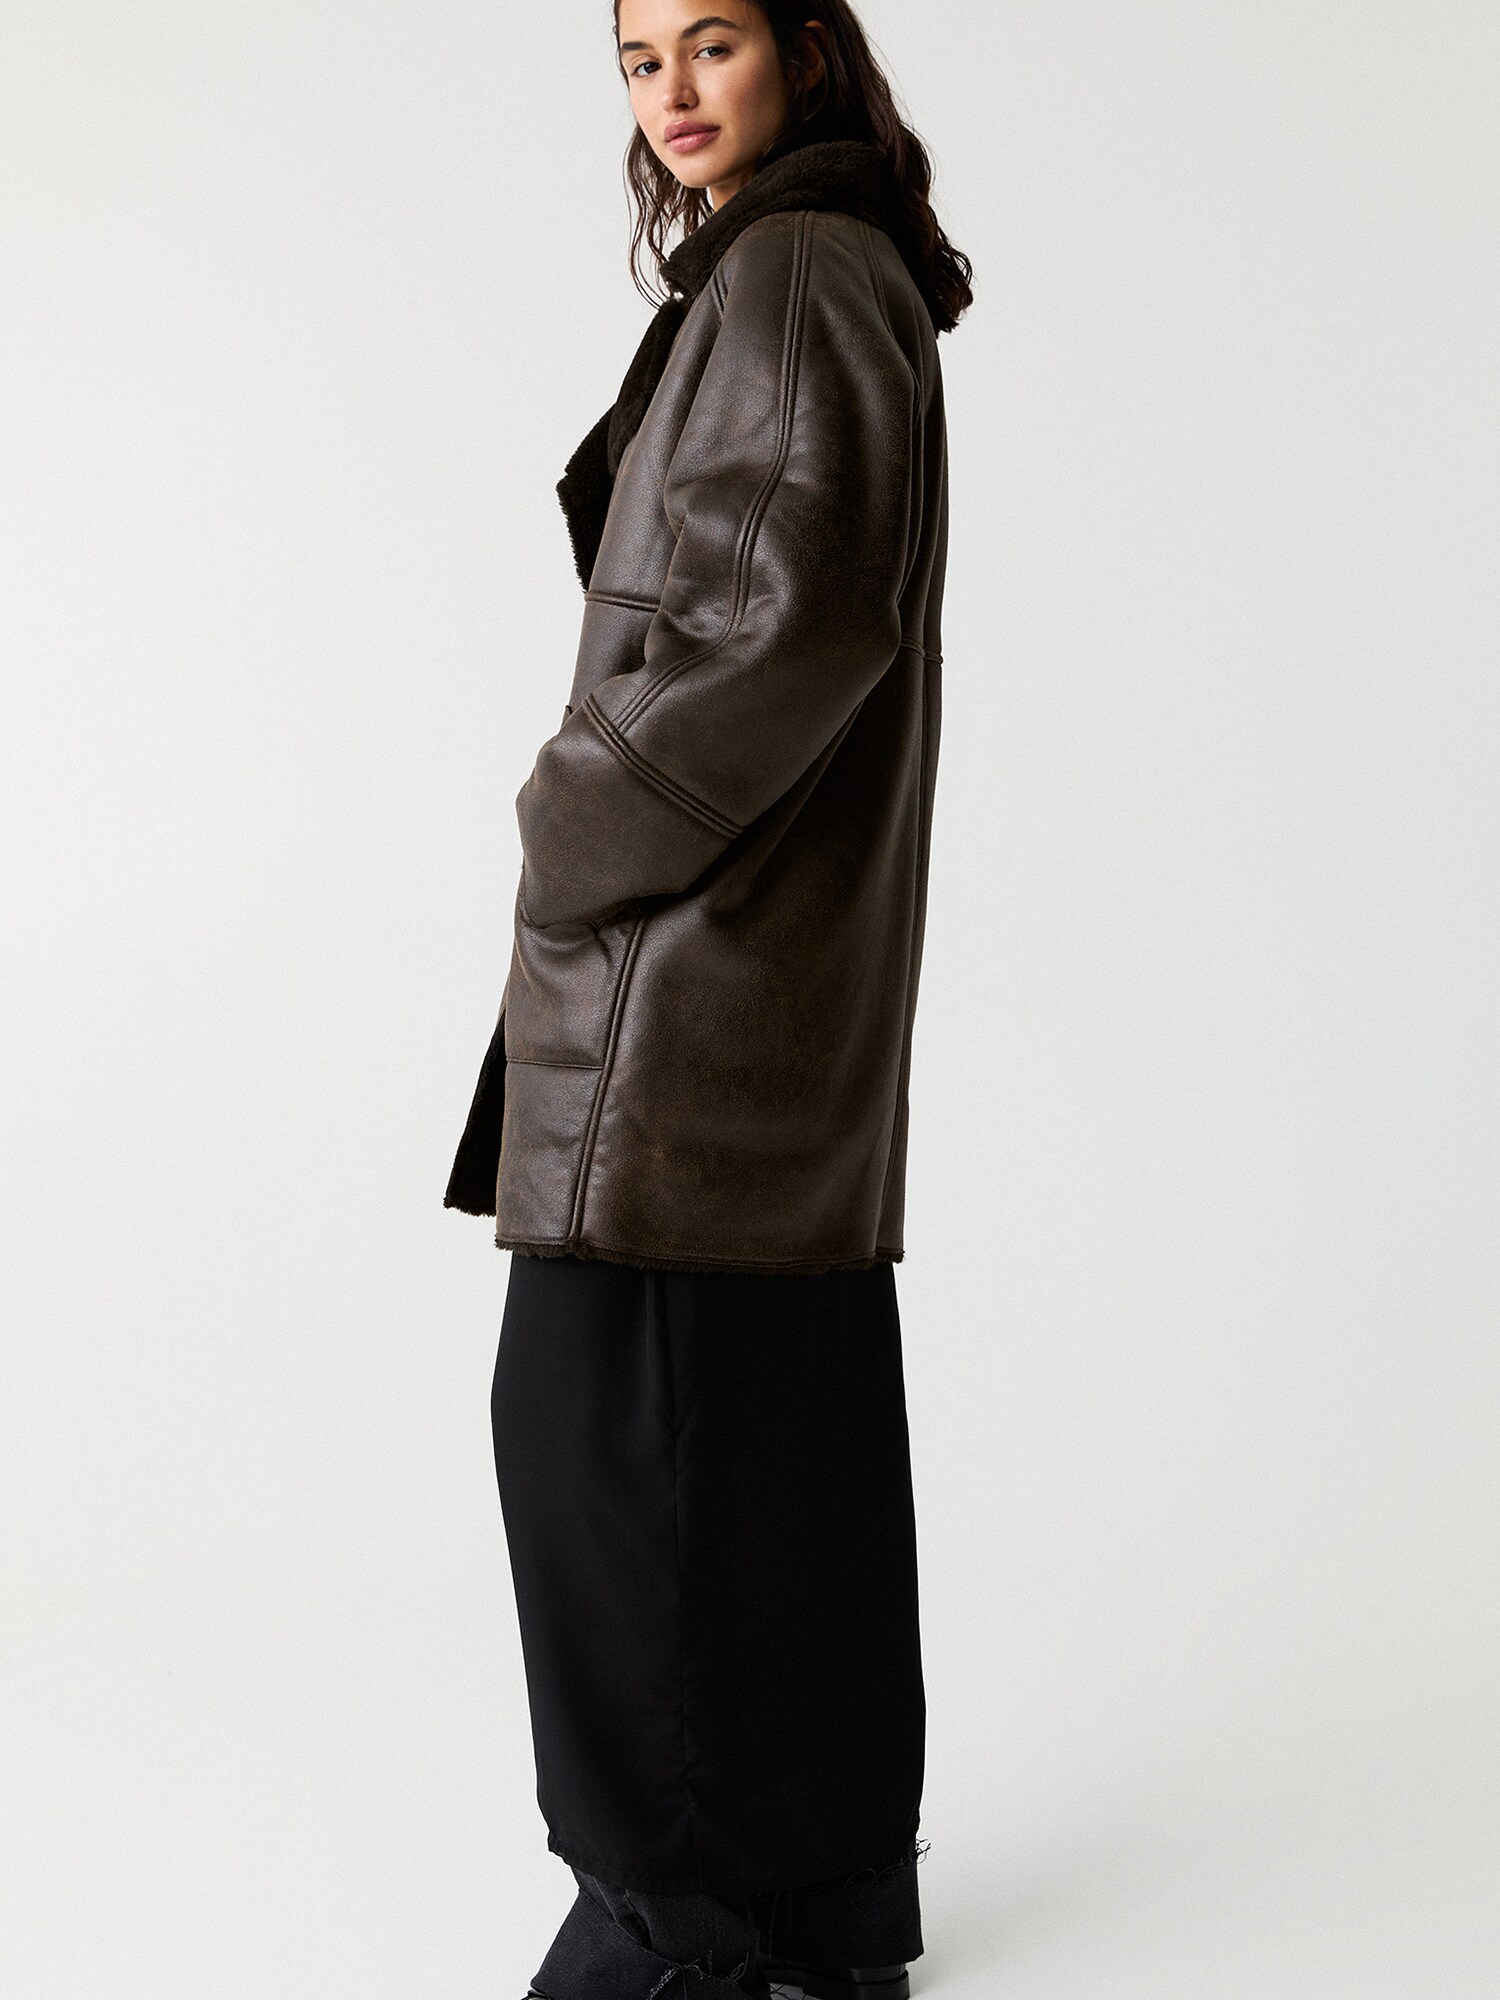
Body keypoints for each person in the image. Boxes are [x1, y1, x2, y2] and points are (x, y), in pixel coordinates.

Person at [444, 3, 971, 1993]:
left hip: (689, 1001)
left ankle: (672, 1929)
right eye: (637, 57)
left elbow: (785, 625)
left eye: (713, 43)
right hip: (757, 1003)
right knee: (769, 1463)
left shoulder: (799, 269)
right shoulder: (823, 266)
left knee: (608, 1462)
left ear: (806, 56)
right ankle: (823, 1909)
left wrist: (575, 821)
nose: (670, 91)